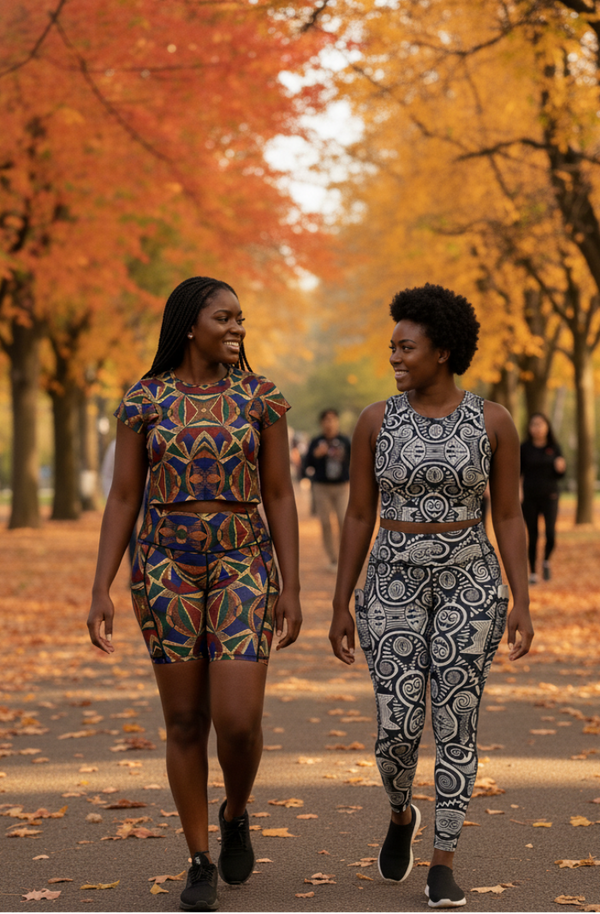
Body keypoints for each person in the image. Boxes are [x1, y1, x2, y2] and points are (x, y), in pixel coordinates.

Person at [87, 277, 301, 912]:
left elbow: (281, 494)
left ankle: (236, 811)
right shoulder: (143, 400)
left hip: (243, 561)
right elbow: (123, 496)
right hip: (164, 566)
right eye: (224, 317)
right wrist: (100, 586)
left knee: (238, 723)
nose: (237, 327)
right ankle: (199, 858)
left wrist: (290, 585)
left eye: (240, 318)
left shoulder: (264, 399)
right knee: (184, 721)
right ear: (189, 324)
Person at [329, 283, 533, 909]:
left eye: (406, 347)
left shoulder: (492, 421)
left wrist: (521, 599)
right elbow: (359, 514)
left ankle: (444, 860)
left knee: (455, 722)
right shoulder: (375, 421)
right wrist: (342, 601)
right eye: (392, 347)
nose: (395, 357)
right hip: (391, 579)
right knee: (396, 729)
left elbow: (508, 516)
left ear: (441, 352)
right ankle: (400, 816)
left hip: (470, 581)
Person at [520, 412, 566, 583]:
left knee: (551, 534)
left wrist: (561, 469)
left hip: (550, 495)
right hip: (530, 497)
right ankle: (532, 573)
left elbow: (560, 474)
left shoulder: (554, 447)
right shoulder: (524, 448)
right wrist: (519, 492)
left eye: (540, 424)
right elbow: (519, 472)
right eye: (534, 424)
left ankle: (546, 560)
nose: (537, 428)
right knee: (532, 535)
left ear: (547, 427)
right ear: (529, 428)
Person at [303, 408, 351, 568]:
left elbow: (355, 462)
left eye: (332, 419)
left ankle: (345, 557)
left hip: (342, 487)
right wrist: (316, 455)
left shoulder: (345, 441)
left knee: (344, 520)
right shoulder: (316, 442)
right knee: (325, 523)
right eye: (326, 420)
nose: (329, 423)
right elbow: (305, 466)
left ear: (337, 421)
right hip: (321, 487)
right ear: (321, 423)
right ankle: (333, 559)